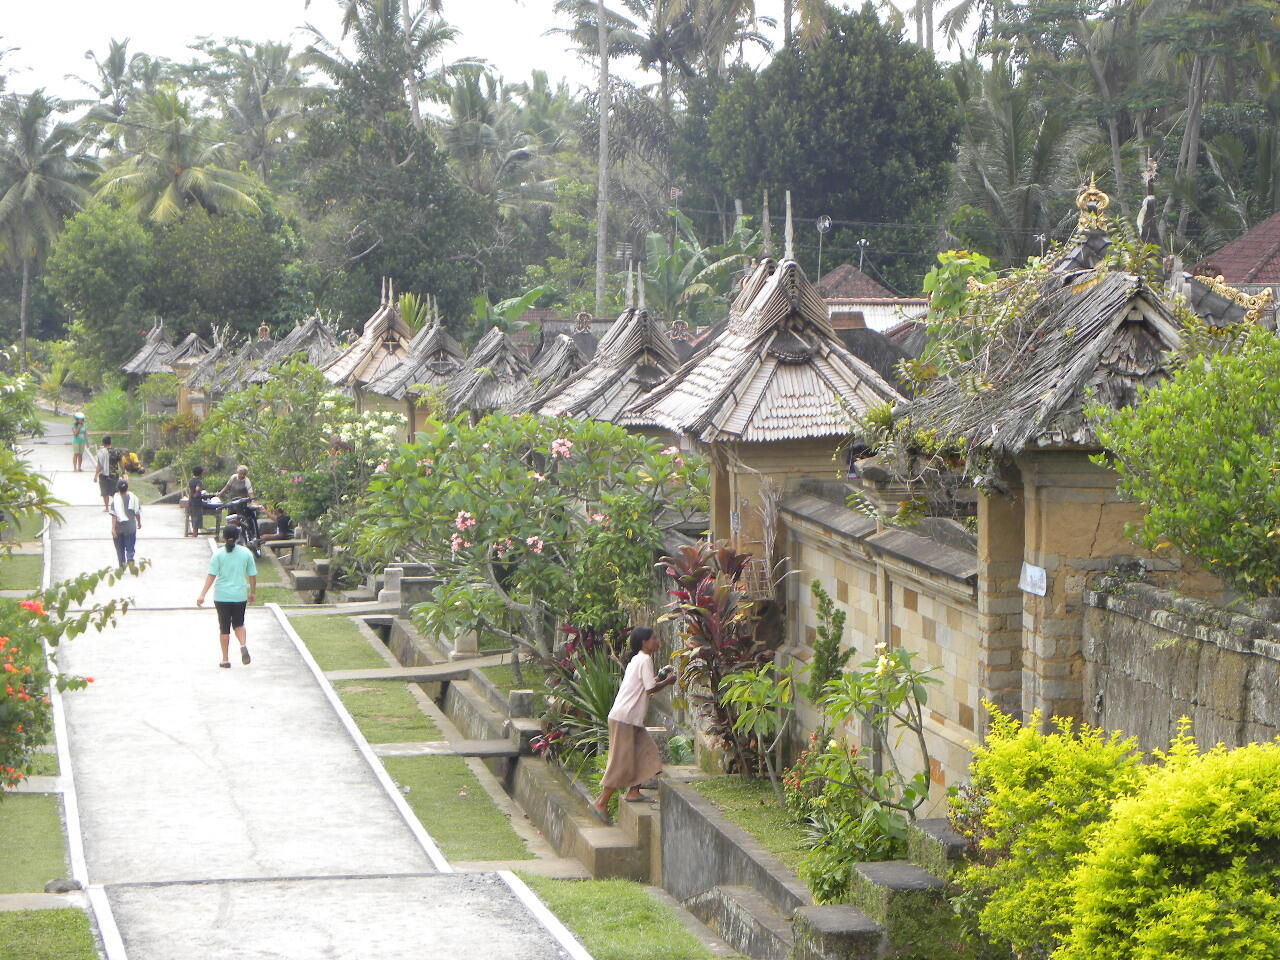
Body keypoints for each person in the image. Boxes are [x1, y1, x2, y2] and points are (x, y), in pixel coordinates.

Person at [592, 627, 676, 821]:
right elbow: (650, 689)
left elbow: (646, 685)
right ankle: (601, 803)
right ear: (644, 643)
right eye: (654, 638)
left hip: (628, 718)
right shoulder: (645, 660)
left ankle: (634, 791)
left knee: (646, 752)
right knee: (620, 762)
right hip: (625, 719)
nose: (657, 641)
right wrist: (669, 681)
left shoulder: (636, 660)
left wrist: (662, 676)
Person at [197, 525, 258, 669]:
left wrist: (202, 594)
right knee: (239, 623)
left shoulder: (218, 554)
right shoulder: (246, 553)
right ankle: (243, 645)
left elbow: (211, 575)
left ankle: (225, 659)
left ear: (224, 537)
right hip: (239, 595)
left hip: (222, 596)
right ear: (238, 537)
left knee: (224, 628)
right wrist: (253, 592)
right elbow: (252, 575)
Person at [109, 478, 142, 568]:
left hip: (119, 529)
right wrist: (139, 523)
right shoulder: (134, 498)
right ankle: (130, 560)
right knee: (130, 546)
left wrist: (113, 528)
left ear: (118, 489)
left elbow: (114, 516)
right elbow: (137, 513)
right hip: (130, 528)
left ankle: (122, 566)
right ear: (127, 488)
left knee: (120, 549)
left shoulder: (115, 500)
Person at [93, 436, 118, 512]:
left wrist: (96, 476)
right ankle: (117, 507)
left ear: (103, 443)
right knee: (115, 492)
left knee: (105, 492)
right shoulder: (116, 451)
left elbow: (99, 465)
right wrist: (123, 472)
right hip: (114, 474)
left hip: (104, 475)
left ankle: (107, 507)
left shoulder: (101, 452)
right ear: (110, 443)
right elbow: (121, 463)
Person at [186, 466, 207, 537]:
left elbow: (189, 490)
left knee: (193, 517)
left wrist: (192, 495)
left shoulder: (191, 480)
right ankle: (194, 534)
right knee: (197, 518)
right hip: (197, 502)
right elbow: (197, 489)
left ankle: (194, 534)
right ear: (200, 473)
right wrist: (196, 494)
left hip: (191, 502)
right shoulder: (199, 481)